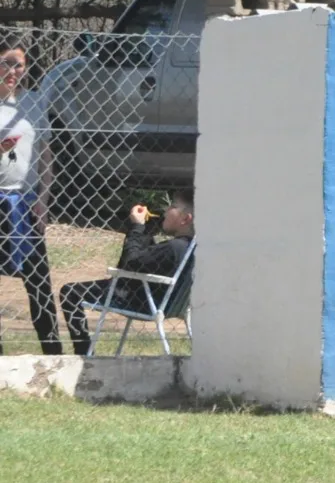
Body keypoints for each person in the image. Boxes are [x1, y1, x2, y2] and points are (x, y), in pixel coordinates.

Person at [59, 192, 196, 356]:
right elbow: (147, 259)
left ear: (185, 219)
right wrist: (144, 228)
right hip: (171, 304)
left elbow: (129, 262)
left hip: (140, 300)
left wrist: (137, 227)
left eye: (173, 206)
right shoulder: (192, 247)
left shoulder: (173, 248)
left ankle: (84, 353)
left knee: (70, 292)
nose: (166, 210)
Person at [0, 32, 62, 354]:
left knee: (38, 282)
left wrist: (43, 200)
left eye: (19, 65)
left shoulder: (35, 102)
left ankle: (53, 352)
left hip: (26, 204)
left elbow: (46, 157)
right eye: (6, 63)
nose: (13, 71)